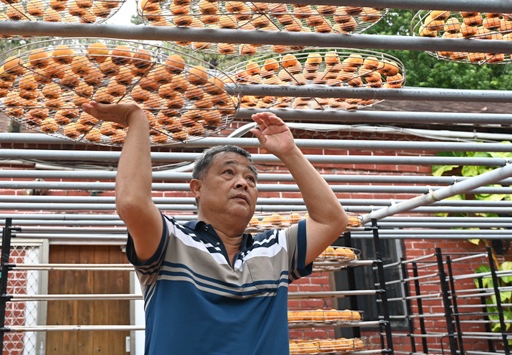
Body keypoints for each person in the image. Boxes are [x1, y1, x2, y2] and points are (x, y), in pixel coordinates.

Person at [81, 101, 349, 355]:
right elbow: (132, 202)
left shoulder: (275, 250)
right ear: (197, 188)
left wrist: (289, 152)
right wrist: (135, 118)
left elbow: (332, 220)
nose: (243, 183)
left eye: (251, 179)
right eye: (228, 173)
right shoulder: (171, 242)